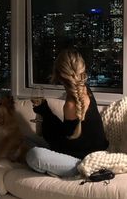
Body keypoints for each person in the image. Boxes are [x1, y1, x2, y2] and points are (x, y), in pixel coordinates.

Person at [26, 48, 109, 177]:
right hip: (95, 153)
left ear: (59, 75)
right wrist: (45, 111)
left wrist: (45, 114)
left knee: (34, 155)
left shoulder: (70, 105)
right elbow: (68, 134)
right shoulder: (86, 90)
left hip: (83, 163)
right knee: (27, 140)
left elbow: (64, 146)